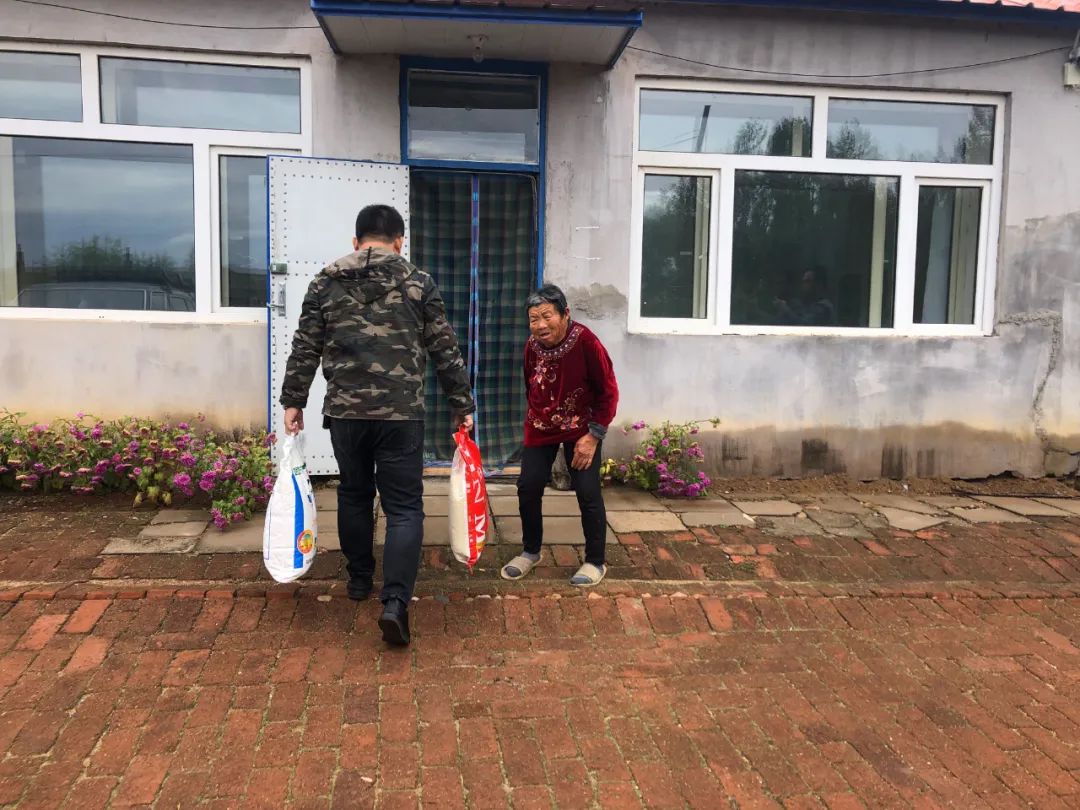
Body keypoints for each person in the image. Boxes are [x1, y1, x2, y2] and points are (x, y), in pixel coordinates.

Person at [279, 204, 474, 646]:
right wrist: (461, 403)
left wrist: (293, 401)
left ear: (356, 241)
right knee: (404, 506)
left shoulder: (325, 283)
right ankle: (395, 603)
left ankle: (359, 580)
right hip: (400, 414)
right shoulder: (418, 283)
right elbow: (444, 349)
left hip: (346, 414)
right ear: (399, 242)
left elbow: (305, 346)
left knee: (354, 492)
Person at [501, 284, 619, 587]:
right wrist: (538, 415)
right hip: (541, 427)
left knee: (587, 491)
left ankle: (595, 561)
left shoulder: (587, 342)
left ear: (565, 314)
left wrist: (593, 435)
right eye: (533, 319)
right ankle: (531, 551)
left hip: (582, 429)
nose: (540, 325)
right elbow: (530, 384)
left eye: (547, 316)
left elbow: (608, 392)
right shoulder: (532, 345)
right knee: (528, 487)